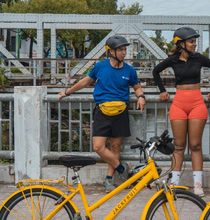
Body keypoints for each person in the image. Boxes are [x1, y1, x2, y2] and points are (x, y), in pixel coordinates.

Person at [58, 35, 146, 192]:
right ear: (110, 51)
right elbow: (85, 81)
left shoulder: (129, 70)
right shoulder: (100, 67)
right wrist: (67, 92)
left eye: (125, 49)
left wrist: (141, 97)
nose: (124, 53)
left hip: (120, 111)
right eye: (120, 50)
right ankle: (122, 169)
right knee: (98, 147)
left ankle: (109, 180)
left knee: (116, 146)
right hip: (102, 111)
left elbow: (137, 86)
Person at [152, 27, 210, 197]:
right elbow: (155, 71)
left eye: (194, 41)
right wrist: (162, 90)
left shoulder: (198, 58)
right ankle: (174, 183)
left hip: (197, 103)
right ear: (181, 43)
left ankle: (197, 185)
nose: (194, 44)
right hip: (178, 104)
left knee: (195, 145)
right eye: (191, 41)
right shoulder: (173, 60)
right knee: (178, 146)